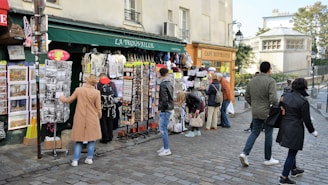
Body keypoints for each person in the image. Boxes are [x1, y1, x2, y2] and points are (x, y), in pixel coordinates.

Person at [276, 78, 318, 185]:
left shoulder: (285, 96)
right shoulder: (303, 101)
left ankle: (293, 170)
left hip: (284, 125)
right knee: (292, 152)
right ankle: (284, 177)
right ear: (304, 87)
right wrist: (312, 131)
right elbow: (306, 119)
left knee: (292, 148)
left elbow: (279, 108)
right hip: (295, 127)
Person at [239, 61, 279, 167]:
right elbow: (274, 99)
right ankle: (268, 158)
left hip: (255, 111)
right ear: (269, 69)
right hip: (267, 111)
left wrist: (254, 104)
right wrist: (275, 105)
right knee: (268, 134)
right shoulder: (270, 81)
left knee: (254, 132)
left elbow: (247, 96)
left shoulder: (252, 81)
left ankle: (245, 153)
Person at [59, 75, 102, 167]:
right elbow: (99, 108)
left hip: (80, 117)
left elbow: (69, 100)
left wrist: (62, 98)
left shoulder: (79, 90)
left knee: (79, 140)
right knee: (92, 139)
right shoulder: (97, 93)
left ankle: (75, 160)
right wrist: (98, 116)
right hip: (92, 118)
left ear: (87, 81)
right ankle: (89, 158)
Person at [157, 67, 174, 156]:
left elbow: (164, 99)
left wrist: (161, 109)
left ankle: (166, 149)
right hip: (169, 107)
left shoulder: (163, 84)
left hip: (165, 108)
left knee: (163, 129)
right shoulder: (169, 83)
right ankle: (165, 147)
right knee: (164, 128)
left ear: (160, 74)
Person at [96, 73, 118, 144]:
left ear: (100, 78)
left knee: (103, 121)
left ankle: (105, 137)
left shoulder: (98, 85)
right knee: (110, 121)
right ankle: (110, 136)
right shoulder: (112, 84)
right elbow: (116, 94)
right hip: (111, 106)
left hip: (102, 106)